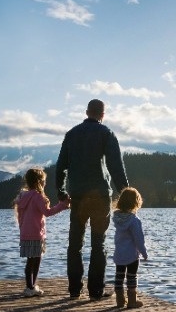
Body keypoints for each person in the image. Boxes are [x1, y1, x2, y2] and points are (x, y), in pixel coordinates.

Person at [55, 99, 129, 300]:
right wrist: (126, 193)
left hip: (77, 196)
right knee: (99, 243)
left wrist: (61, 191)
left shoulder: (71, 134)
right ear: (102, 115)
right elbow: (116, 167)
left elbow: (61, 165)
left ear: (87, 112)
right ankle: (96, 291)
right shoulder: (106, 133)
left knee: (75, 244)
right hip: (100, 197)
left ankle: (74, 290)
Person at [14, 168, 70, 297]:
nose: (45, 183)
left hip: (25, 234)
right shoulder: (37, 196)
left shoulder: (22, 197)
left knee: (30, 261)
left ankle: (30, 287)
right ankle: (31, 287)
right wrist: (62, 205)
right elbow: (47, 212)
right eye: (44, 181)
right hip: (36, 233)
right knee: (37, 260)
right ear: (39, 182)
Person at [112, 187, 149, 308]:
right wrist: (144, 253)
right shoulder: (134, 220)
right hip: (132, 255)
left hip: (119, 254)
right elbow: (139, 239)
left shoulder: (117, 219)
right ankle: (132, 301)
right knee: (132, 277)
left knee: (119, 276)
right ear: (136, 203)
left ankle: (120, 300)